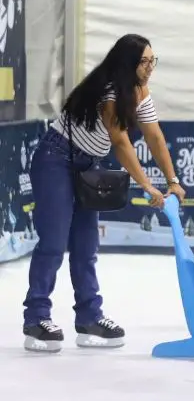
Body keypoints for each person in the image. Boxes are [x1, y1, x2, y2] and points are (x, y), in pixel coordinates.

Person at [23, 34, 185, 353]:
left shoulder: (140, 93)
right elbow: (122, 143)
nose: (150, 67)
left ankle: (89, 319)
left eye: (153, 60)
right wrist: (148, 185)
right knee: (54, 243)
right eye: (144, 61)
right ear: (128, 63)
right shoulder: (109, 89)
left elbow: (154, 136)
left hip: (87, 165)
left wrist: (173, 178)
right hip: (56, 159)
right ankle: (36, 319)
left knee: (87, 245)